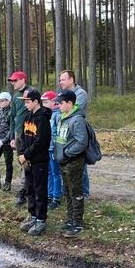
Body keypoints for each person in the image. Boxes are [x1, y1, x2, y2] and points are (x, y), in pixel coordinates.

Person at [53, 89, 88, 238]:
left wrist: (67, 153)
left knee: (76, 192)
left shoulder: (77, 119)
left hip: (73, 162)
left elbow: (82, 142)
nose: (58, 105)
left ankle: (78, 223)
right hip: (63, 161)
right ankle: (70, 219)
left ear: (69, 103)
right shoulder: (62, 117)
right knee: (67, 191)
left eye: (61, 103)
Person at [17, 89, 52, 236]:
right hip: (28, 160)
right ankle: (32, 215)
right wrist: (23, 155)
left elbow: (40, 142)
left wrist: (27, 154)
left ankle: (41, 219)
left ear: (35, 101)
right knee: (30, 188)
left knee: (40, 190)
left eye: (27, 101)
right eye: (24, 101)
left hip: (39, 161)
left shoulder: (42, 119)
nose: (25, 104)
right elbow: (25, 138)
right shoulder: (27, 117)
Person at [58, 70, 91, 198]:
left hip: (77, 132)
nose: (61, 82)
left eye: (63, 80)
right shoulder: (62, 93)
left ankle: (84, 192)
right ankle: (68, 191)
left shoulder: (80, 94)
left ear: (71, 80)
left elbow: (73, 110)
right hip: (65, 132)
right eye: (60, 80)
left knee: (79, 163)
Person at [7, 71, 34, 206]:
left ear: (23, 80)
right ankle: (25, 188)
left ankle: (27, 189)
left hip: (30, 132)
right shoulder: (16, 96)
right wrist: (12, 136)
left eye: (15, 80)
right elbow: (12, 117)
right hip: (18, 133)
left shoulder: (32, 93)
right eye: (12, 81)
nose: (13, 83)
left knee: (30, 160)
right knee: (22, 160)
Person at [41, 91, 62, 210]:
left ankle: (56, 196)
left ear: (54, 102)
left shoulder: (57, 115)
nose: (44, 104)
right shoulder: (45, 115)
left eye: (46, 102)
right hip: (46, 149)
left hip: (54, 149)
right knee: (48, 172)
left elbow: (58, 133)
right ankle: (49, 194)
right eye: (42, 102)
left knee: (55, 172)